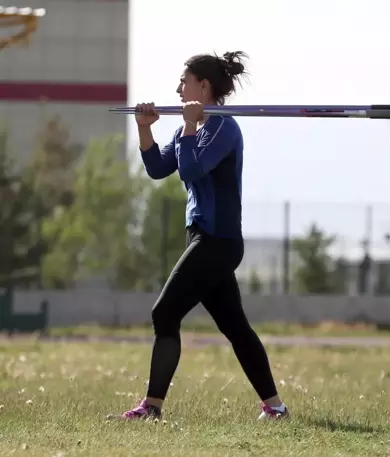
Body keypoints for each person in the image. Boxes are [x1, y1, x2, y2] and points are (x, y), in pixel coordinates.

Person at [119, 51, 288, 420]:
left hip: (217, 242)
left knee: (164, 313)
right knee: (236, 328)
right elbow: (158, 168)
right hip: (204, 238)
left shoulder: (224, 128)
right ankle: (276, 408)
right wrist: (145, 127)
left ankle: (152, 407)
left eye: (184, 81)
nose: (178, 88)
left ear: (203, 86)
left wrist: (192, 127)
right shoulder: (187, 129)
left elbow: (191, 170)